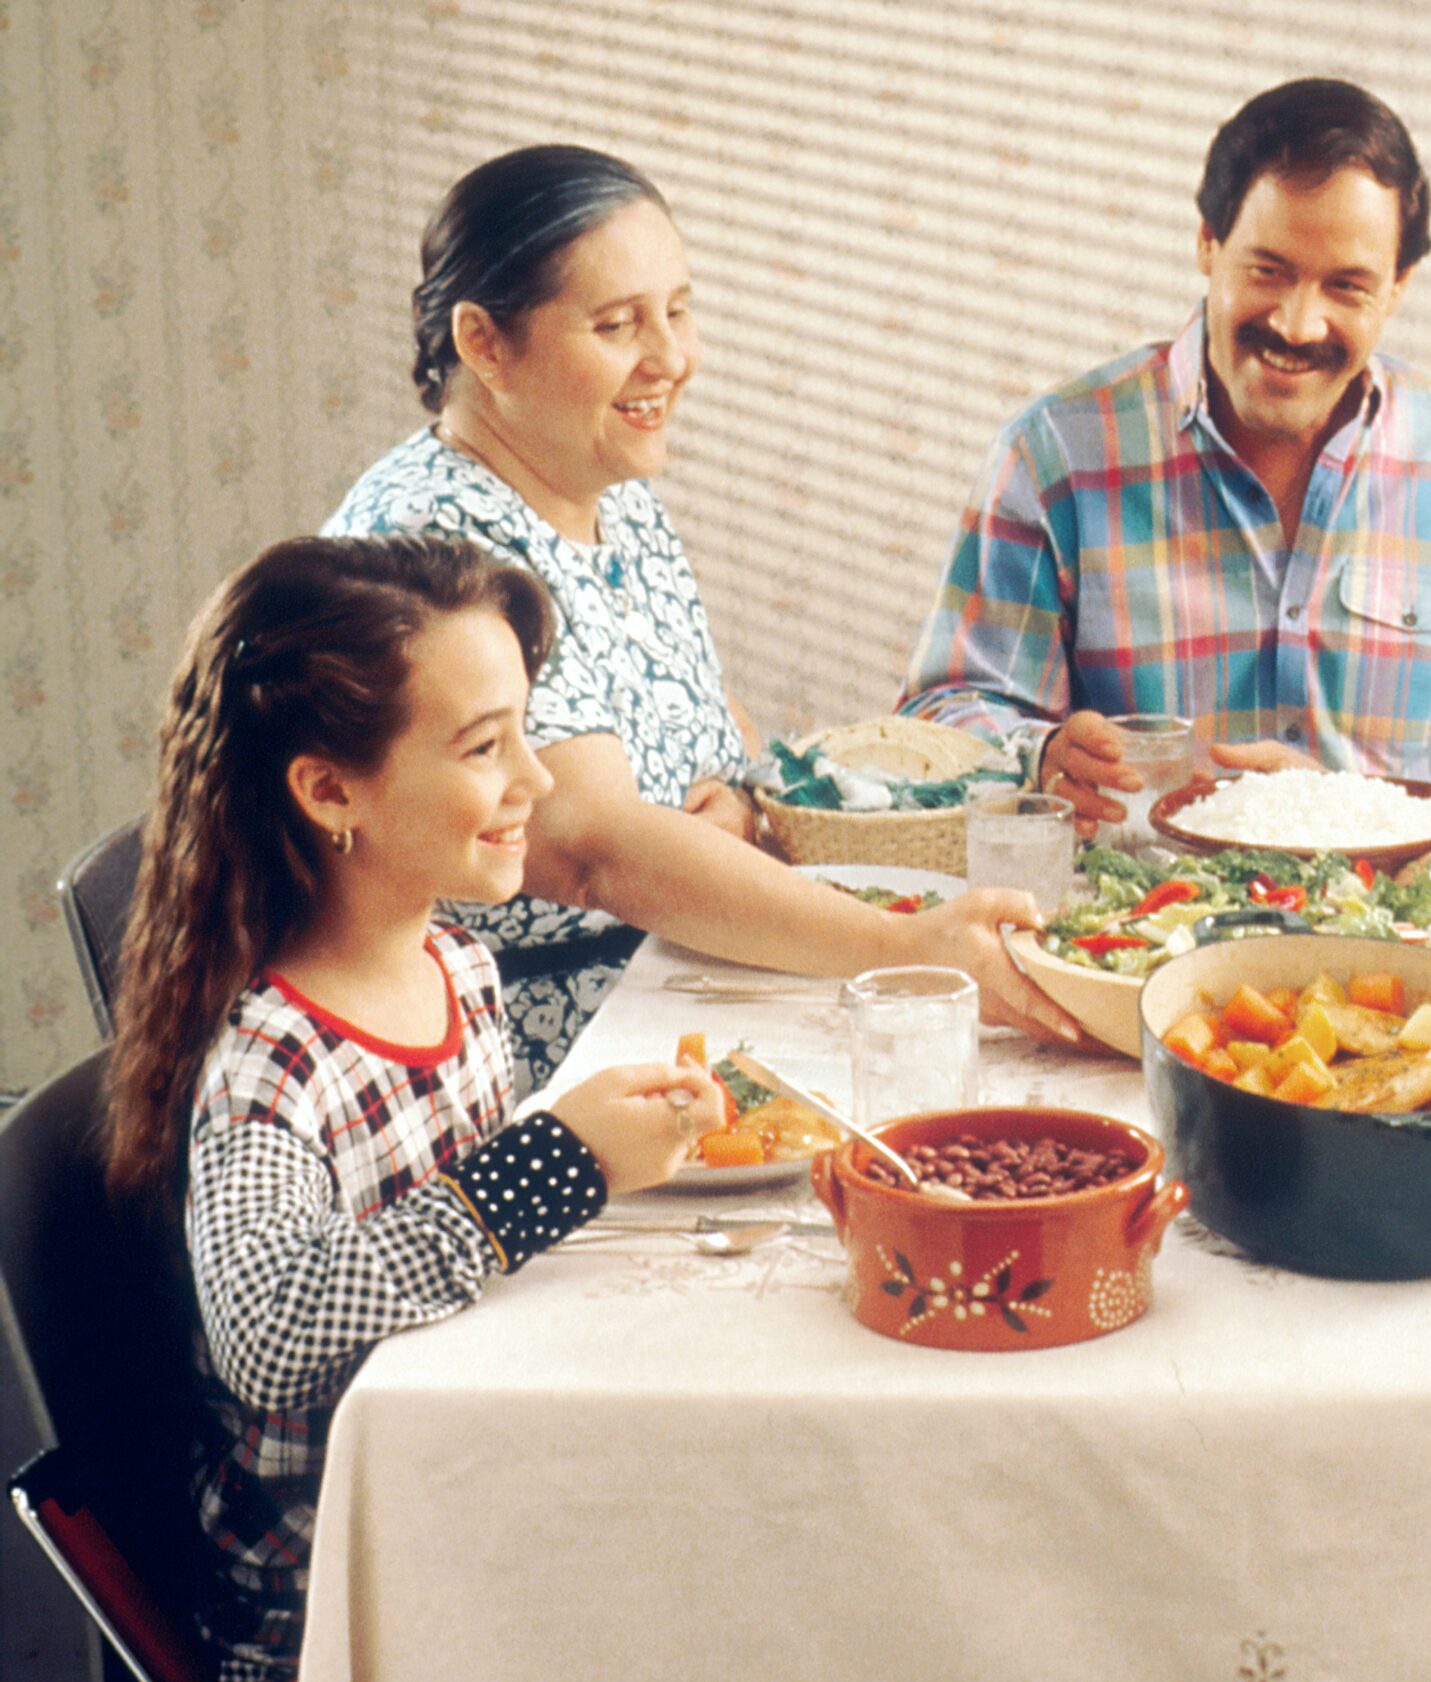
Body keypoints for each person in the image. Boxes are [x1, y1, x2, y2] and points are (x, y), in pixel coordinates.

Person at [102, 536, 727, 1682]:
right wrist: (554, 1165)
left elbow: (460, 1246)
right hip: (347, 1611)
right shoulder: (271, 1063)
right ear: (330, 790)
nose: (536, 781)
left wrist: (602, 1148)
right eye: (485, 747)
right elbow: (272, 1328)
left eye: (524, 732)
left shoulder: (454, 962)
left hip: (469, 1488)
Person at [328, 144, 1069, 1089]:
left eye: (678, 310)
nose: (672, 359)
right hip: (519, 1059)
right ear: (483, 344)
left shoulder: (604, 485)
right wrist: (906, 944)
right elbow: (597, 851)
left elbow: (712, 732)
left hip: (672, 982)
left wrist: (747, 803)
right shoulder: (435, 547)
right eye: (616, 324)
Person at [897, 78, 1431, 830]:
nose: (1297, 323)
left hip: (1407, 951)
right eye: (1268, 270)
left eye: (1346, 287)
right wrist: (1038, 757)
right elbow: (943, 715)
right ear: (1208, 244)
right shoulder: (1056, 457)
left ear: (1399, 287)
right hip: (1134, 939)